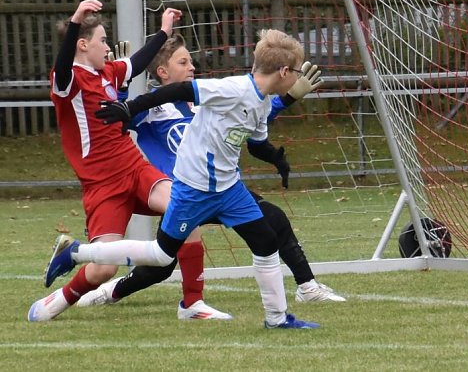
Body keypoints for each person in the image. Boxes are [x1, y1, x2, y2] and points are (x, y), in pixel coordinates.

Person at [44, 29, 321, 329]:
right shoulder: (229, 89)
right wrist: (127, 103)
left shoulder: (261, 100)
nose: (192, 67)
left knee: (267, 236)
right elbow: (173, 93)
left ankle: (277, 318)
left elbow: (256, 139)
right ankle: (77, 253)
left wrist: (278, 158)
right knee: (161, 258)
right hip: (194, 189)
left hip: (228, 189)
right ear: (283, 71)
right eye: (184, 62)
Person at [28, 0, 231, 322]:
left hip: (135, 168)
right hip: (102, 184)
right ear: (82, 44)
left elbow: (138, 60)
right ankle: (60, 299)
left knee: (186, 204)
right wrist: (77, 18)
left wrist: (164, 31)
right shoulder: (68, 81)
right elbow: (65, 62)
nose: (108, 48)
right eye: (102, 41)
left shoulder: (108, 72)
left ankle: (192, 304)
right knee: (103, 269)